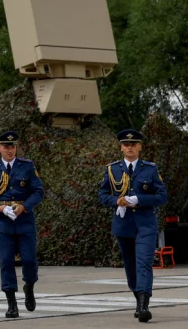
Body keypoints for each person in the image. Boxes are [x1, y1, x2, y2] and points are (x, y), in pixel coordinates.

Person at [98, 129, 168, 323]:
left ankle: (144, 304)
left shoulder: (150, 169)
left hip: (146, 223)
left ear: (139, 147)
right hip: (124, 224)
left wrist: (139, 199)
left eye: (133, 144)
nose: (130, 147)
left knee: (144, 262)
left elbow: (162, 196)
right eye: (126, 144)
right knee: (130, 265)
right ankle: (138, 298)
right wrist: (115, 201)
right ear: (121, 147)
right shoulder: (112, 169)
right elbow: (102, 195)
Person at [0, 130, 44, 318]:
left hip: (24, 220)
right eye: (6, 147)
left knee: (30, 260)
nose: (10, 150)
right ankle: (11, 303)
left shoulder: (27, 166)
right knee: (6, 261)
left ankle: (29, 286)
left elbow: (38, 192)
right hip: (3, 221)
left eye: (13, 146)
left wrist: (24, 207)